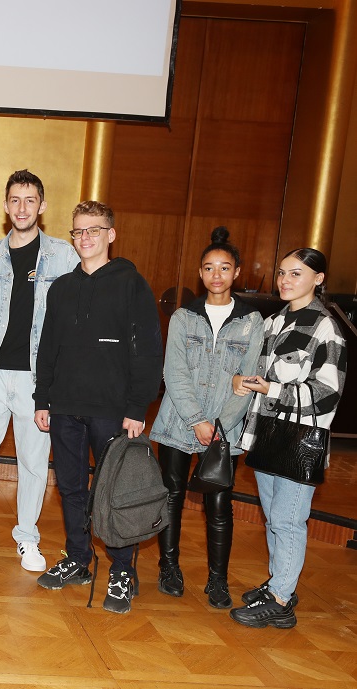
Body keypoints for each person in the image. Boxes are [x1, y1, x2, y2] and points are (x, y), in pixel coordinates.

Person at [32, 200, 163, 615]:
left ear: (111, 234)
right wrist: (42, 399)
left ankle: (122, 571)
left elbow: (147, 353)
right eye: (78, 231)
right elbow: (48, 348)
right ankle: (78, 559)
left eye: (93, 229)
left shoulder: (131, 284)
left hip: (113, 409)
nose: (85, 237)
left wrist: (137, 407)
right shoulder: (62, 287)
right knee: (71, 488)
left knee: (114, 492)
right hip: (65, 407)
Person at [0, 169, 79, 570]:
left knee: (33, 460)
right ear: (6, 206)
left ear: (41, 206)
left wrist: (62, 381)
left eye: (30, 200)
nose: (22, 208)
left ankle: (27, 536)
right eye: (15, 200)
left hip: (37, 381)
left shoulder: (63, 255)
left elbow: (75, 320)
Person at [229, 248, 346, 629]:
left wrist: (273, 389)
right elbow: (254, 372)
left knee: (287, 520)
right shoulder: (274, 320)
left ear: (319, 278)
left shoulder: (326, 326)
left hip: (301, 439)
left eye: (296, 274)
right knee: (273, 520)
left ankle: (279, 599)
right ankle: (281, 586)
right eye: (281, 273)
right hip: (267, 433)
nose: (285, 280)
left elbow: (328, 391)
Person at [149, 228, 264, 608]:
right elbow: (174, 372)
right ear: (201, 273)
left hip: (224, 429)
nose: (217, 275)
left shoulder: (251, 322)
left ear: (237, 272)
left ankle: (217, 580)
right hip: (177, 422)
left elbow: (248, 379)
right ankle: (169, 567)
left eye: (225, 268)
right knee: (172, 496)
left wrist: (216, 426)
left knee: (219, 504)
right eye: (209, 268)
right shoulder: (184, 316)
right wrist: (197, 418)